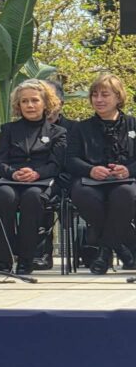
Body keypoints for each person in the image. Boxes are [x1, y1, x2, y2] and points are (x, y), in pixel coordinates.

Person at [0, 80, 67, 275]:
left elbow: (56, 165)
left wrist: (37, 173)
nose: (30, 105)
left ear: (46, 103)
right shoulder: (8, 129)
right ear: (18, 105)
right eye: (24, 101)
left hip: (41, 181)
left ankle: (26, 260)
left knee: (32, 197)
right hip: (10, 179)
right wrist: (13, 173)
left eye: (35, 100)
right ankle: (4, 260)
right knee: (4, 196)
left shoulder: (58, 132)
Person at [66, 72, 136, 275]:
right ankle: (125, 246)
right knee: (81, 194)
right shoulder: (80, 128)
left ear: (118, 97)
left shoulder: (133, 124)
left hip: (126, 180)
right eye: (94, 95)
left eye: (105, 95)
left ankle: (104, 252)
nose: (98, 100)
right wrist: (91, 169)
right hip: (90, 181)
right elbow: (70, 159)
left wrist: (129, 170)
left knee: (126, 194)